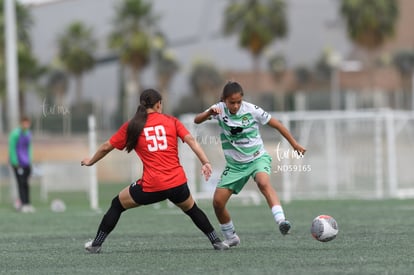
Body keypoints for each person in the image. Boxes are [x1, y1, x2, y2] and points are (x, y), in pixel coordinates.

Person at [81, 88, 229, 253]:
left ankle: (96, 245)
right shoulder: (172, 121)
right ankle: (216, 241)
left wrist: (91, 161)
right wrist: (205, 162)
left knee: (117, 204)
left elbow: (107, 146)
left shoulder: (133, 125)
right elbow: (191, 140)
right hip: (177, 184)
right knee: (192, 209)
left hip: (153, 186)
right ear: (159, 104)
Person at [194, 81, 306, 247]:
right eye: (232, 102)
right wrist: (209, 112)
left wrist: (294, 144)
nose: (236, 106)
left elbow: (276, 124)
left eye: (239, 102)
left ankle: (281, 220)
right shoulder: (218, 109)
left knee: (263, 182)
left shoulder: (252, 110)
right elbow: (197, 120)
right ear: (224, 100)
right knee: (217, 203)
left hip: (257, 158)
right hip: (235, 166)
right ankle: (231, 237)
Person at [8, 116, 35, 213]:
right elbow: (12, 148)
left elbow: (29, 148)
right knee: (20, 183)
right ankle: (22, 204)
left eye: (27, 123)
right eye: (24, 123)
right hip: (18, 163)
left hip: (26, 163)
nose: (26, 125)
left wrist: (30, 160)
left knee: (26, 183)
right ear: (21, 123)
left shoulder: (28, 134)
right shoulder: (15, 134)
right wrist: (15, 162)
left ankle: (28, 203)